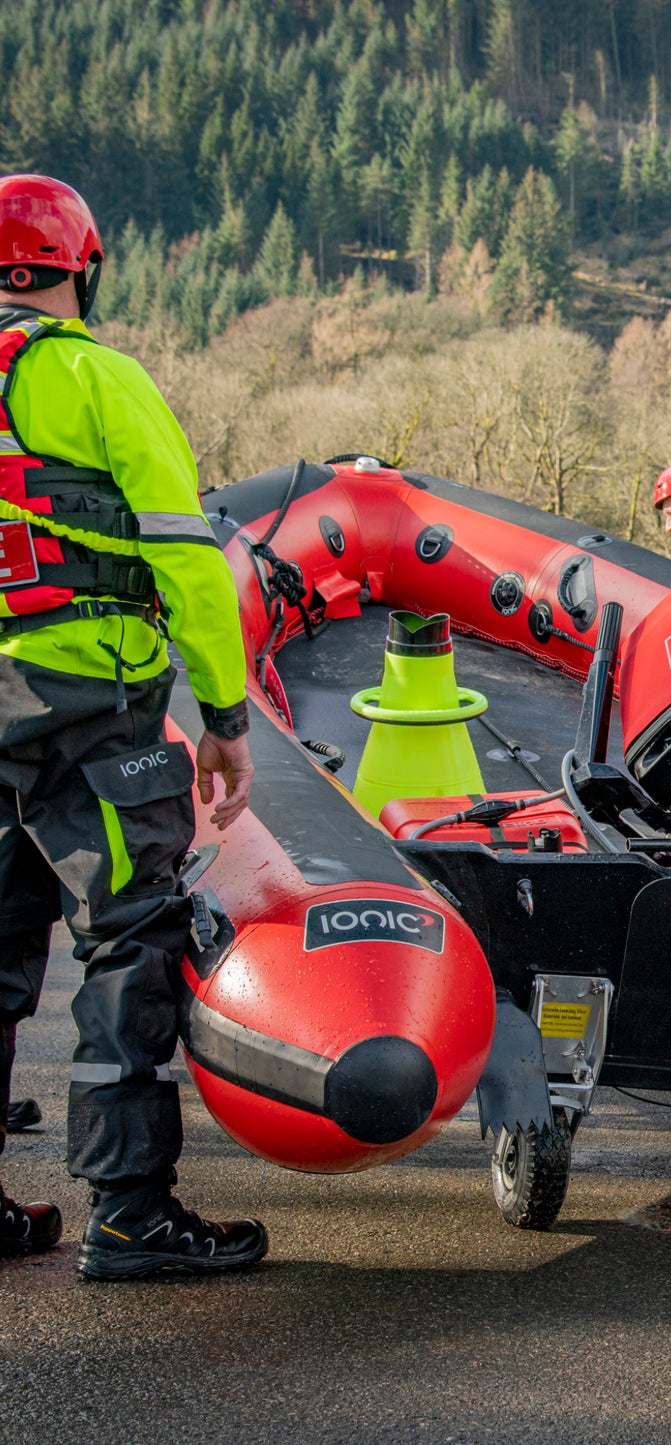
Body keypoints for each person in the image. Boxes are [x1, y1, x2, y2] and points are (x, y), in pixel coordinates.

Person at [0, 174, 267, 1277]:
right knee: (128, 943)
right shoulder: (95, 376)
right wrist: (224, 715)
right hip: (93, 711)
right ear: (80, 268)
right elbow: (185, 558)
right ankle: (127, 1209)